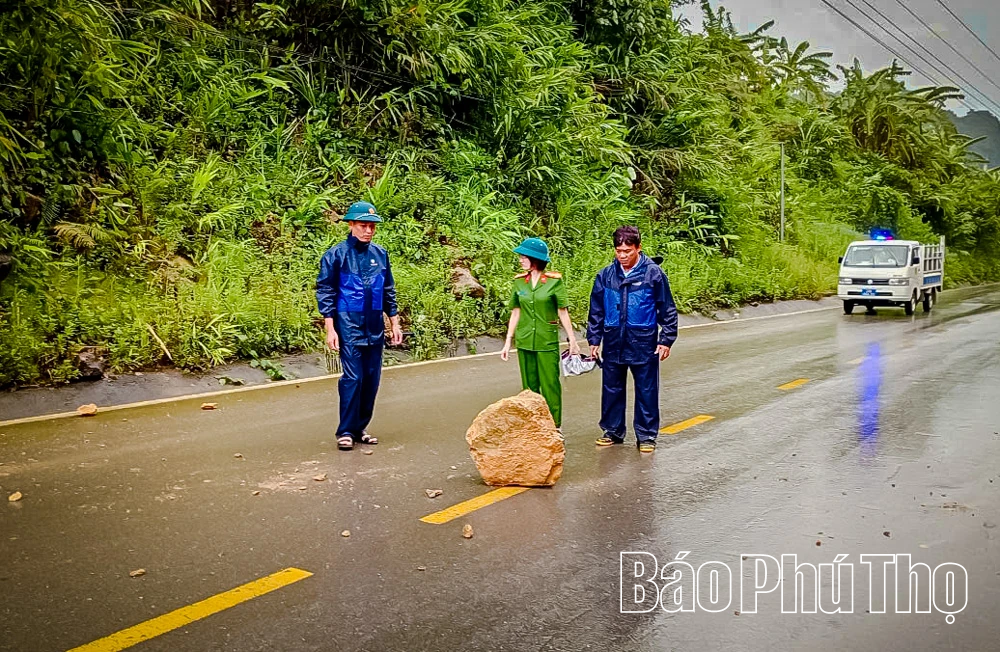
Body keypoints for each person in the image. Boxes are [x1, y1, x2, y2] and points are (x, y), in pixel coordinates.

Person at [316, 201, 404, 451]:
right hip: (348, 325)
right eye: (363, 225)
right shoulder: (336, 255)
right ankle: (345, 430)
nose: (368, 231)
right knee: (353, 378)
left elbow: (388, 290)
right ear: (351, 225)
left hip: (374, 324)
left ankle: (360, 428)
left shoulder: (380, 254)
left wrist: (394, 323)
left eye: (372, 226)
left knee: (371, 378)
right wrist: (330, 328)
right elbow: (326, 291)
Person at [586, 226, 677, 453]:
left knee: (646, 389)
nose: (623, 255)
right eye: (619, 251)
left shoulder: (653, 274)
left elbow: (667, 309)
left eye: (628, 250)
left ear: (638, 248)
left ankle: (646, 435)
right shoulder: (605, 275)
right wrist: (594, 338)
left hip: (643, 340)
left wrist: (666, 339)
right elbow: (596, 310)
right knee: (611, 387)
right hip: (614, 339)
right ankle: (612, 431)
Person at [500, 237, 581, 429]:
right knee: (529, 386)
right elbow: (516, 311)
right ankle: (532, 426)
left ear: (534, 258)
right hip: (525, 340)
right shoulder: (520, 283)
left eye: (523, 256)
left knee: (550, 384)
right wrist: (507, 342)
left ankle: (555, 426)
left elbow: (563, 311)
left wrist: (572, 340)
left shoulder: (553, 282)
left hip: (546, 340)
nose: (520, 260)